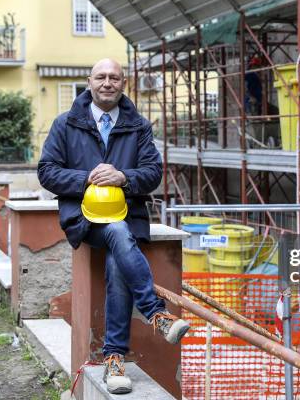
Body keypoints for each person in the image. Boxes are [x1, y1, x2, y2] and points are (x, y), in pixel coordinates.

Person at [37, 58, 190, 395]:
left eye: (114, 78)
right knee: (118, 235)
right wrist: (85, 178)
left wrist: (124, 177)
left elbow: (153, 173)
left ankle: (114, 360)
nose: (108, 82)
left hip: (127, 215)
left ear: (124, 83)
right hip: (84, 216)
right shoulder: (65, 124)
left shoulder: (139, 126)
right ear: (89, 81)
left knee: (118, 253)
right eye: (101, 77)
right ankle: (156, 315)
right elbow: (47, 171)